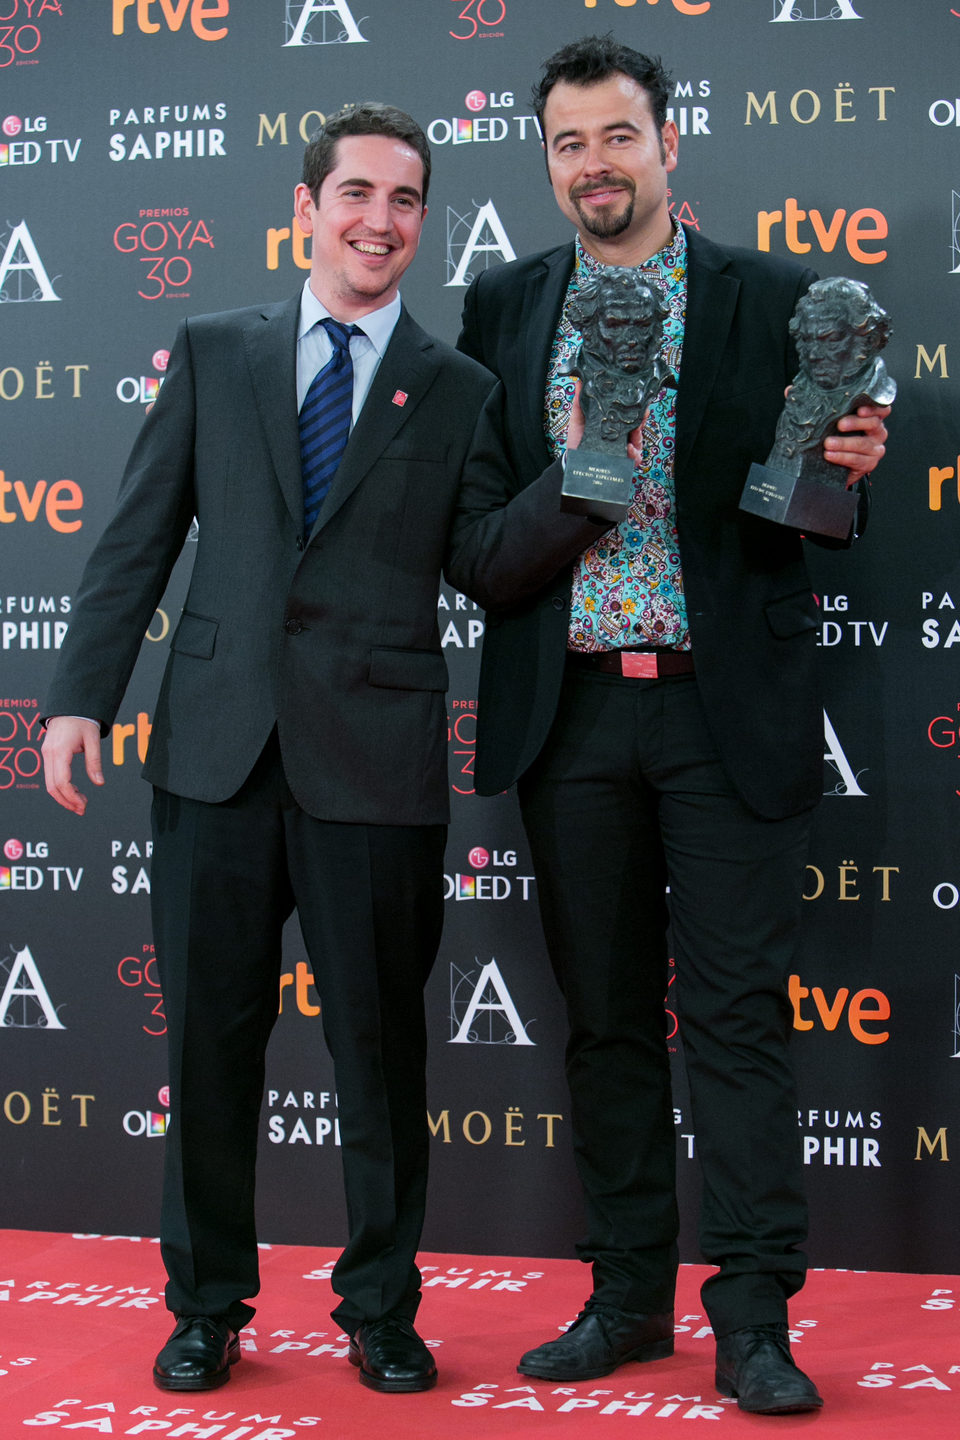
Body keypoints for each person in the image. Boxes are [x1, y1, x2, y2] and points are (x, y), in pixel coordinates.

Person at [446, 35, 890, 1415]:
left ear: (668, 143)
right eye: (568, 142)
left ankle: (754, 1313)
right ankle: (629, 1297)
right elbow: (475, 551)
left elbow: (802, 507)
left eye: (617, 136)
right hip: (570, 712)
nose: (595, 163)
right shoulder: (504, 308)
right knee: (608, 1028)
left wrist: (850, 467)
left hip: (723, 713)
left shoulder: (772, 299)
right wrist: (582, 487)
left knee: (742, 1021)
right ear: (548, 160)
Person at [41, 102, 500, 1397]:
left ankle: (380, 1308)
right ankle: (205, 1306)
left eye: (407, 200)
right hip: (213, 757)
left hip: (376, 765)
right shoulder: (212, 350)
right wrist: (82, 694)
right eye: (357, 192)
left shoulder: (457, 388)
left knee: (380, 1057)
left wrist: (590, 488)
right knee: (210, 1052)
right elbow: (137, 536)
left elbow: (483, 557)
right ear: (306, 208)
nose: (379, 219)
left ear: (424, 223)